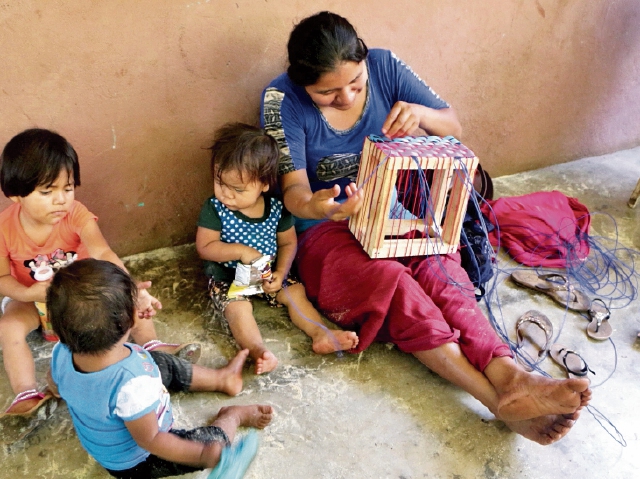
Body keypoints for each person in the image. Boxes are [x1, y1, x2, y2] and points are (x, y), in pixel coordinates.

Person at [260, 11, 591, 445]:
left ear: (364, 62)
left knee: (438, 265)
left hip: (393, 208)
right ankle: (498, 401)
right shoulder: (280, 99)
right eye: (327, 92)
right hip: (322, 230)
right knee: (393, 282)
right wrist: (322, 207)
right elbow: (294, 194)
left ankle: (510, 374)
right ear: (303, 82)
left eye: (356, 84)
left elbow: (452, 126)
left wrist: (417, 114)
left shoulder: (385, 65)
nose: (346, 97)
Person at [0, 128, 199, 417]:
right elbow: (3, 280)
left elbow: (103, 253)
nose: (61, 200)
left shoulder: (76, 214)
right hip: (32, 299)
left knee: (120, 295)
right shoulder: (4, 229)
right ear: (15, 195)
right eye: (47, 192)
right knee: (8, 327)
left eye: (67, 188)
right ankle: (26, 393)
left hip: (82, 296)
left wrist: (132, 289)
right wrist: (29, 292)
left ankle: (153, 347)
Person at [46, 258, 273, 478]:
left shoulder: (61, 353)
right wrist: (204, 454)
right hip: (137, 462)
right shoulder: (133, 384)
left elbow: (55, 385)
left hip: (118, 424)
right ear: (134, 319)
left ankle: (221, 379)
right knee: (212, 444)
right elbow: (151, 439)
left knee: (158, 361)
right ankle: (231, 417)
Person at [195, 123, 358, 374]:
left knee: (295, 293)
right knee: (238, 308)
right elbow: (205, 247)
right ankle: (259, 350)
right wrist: (240, 251)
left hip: (268, 273)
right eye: (220, 183)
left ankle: (320, 334)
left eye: (237, 189)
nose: (226, 194)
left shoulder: (275, 209)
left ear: (263, 184)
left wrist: (281, 272)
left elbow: (287, 242)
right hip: (228, 276)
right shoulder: (215, 208)